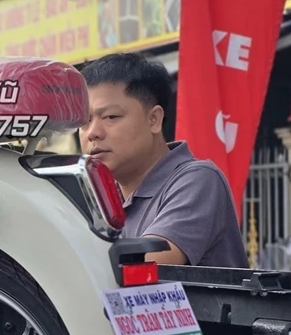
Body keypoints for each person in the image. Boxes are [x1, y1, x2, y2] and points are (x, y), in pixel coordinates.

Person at [79, 53, 249, 268]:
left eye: (111, 117)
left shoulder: (197, 180)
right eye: (84, 121)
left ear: (154, 119)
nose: (92, 133)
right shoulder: (97, 197)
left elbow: (144, 267)